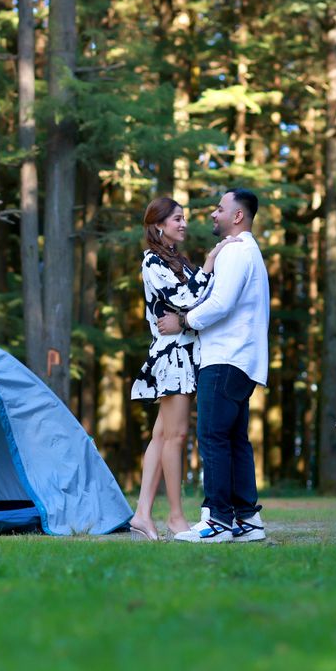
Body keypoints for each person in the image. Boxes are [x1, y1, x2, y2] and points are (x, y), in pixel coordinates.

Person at [156, 189, 269, 543]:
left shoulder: (236, 251)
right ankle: (247, 521)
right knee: (235, 440)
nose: (213, 214)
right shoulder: (250, 251)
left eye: (220, 209)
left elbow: (220, 303)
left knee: (213, 438)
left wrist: (184, 320)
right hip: (243, 360)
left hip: (225, 358)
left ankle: (218, 520)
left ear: (238, 216)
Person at [128, 196, 240, 541]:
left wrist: (186, 316)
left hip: (185, 350)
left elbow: (197, 302)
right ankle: (175, 517)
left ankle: (142, 515)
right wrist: (209, 263)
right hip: (173, 356)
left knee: (162, 436)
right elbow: (186, 298)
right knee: (174, 437)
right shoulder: (152, 261)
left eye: (184, 218)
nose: (184, 223)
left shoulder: (177, 260)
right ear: (159, 224)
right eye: (177, 219)